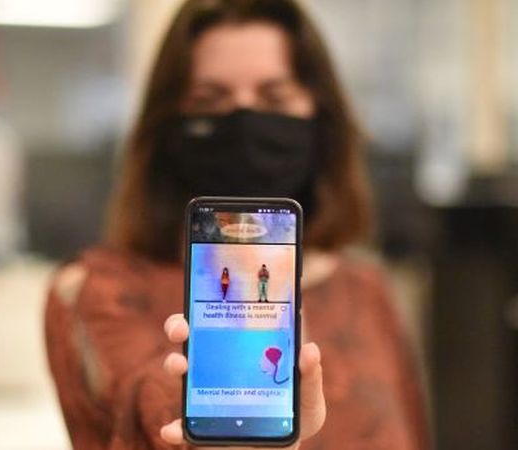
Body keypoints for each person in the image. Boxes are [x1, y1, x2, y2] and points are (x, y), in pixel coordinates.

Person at [45, 1, 429, 449]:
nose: (244, 121)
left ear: (321, 120)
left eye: (274, 98)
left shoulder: (367, 288)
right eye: (210, 100)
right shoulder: (94, 290)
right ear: (167, 127)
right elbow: (143, 405)